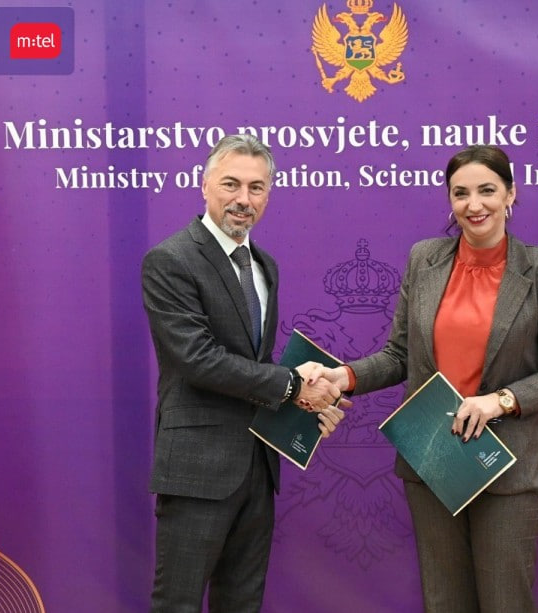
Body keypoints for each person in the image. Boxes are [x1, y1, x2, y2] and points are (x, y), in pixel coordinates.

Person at [313, 145, 538, 612]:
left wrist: (500, 400)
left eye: (487, 190)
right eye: (461, 193)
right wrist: (344, 376)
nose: (474, 204)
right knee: (444, 602)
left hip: (508, 468)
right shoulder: (425, 259)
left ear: (510, 194)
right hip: (433, 458)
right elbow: (400, 355)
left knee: (505, 603)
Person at [141, 134, 349, 613]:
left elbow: (253, 366)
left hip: (258, 464)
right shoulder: (170, 260)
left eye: (257, 188)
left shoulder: (264, 265)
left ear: (268, 195)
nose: (243, 198)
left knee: (242, 603)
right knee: (177, 604)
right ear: (204, 185)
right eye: (231, 184)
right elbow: (198, 359)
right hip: (197, 469)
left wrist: (313, 403)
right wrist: (294, 385)